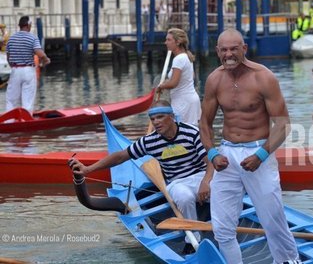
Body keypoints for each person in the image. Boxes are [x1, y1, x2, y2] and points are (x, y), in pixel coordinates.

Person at [200, 28, 301, 264]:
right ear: (217, 51)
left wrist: (262, 154)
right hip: (225, 156)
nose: (228, 54)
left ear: (244, 48)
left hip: (258, 153)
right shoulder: (215, 79)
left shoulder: (263, 77)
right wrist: (212, 153)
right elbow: (204, 122)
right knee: (222, 227)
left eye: (233, 49)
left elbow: (283, 124)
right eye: (223, 50)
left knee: (273, 220)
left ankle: (289, 261)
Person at [69, 100, 213, 254]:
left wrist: (205, 182)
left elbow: (211, 162)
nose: (156, 122)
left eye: (160, 117)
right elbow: (120, 157)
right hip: (177, 182)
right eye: (153, 119)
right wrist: (88, 169)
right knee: (184, 197)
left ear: (171, 116)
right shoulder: (150, 141)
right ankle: (193, 239)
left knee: (224, 192)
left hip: (201, 175)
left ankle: (222, 229)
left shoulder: (192, 132)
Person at [157, 28, 201, 126]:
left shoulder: (179, 59)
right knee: (191, 133)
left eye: (169, 40)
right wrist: (166, 83)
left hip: (183, 102)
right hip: (190, 99)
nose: (165, 42)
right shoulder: (186, 56)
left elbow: (174, 83)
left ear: (178, 42)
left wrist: (161, 86)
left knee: (182, 134)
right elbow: (191, 77)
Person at [6, 16, 50, 113]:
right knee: (27, 100)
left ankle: (9, 122)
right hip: (28, 71)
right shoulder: (32, 37)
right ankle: (26, 121)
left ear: (19, 26)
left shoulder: (11, 38)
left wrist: (15, 67)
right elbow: (39, 52)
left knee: (11, 99)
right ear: (28, 25)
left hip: (15, 70)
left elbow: (8, 58)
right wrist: (46, 59)